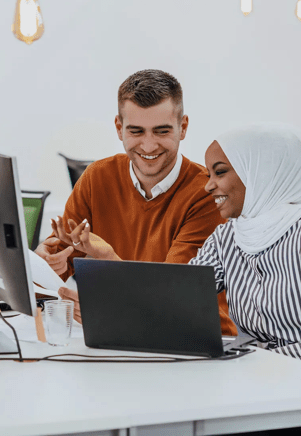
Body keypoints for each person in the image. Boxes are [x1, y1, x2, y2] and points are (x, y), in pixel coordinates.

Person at [73, 124, 301, 436]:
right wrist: (110, 268)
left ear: (259, 172)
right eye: (209, 174)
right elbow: (173, 295)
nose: (208, 185)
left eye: (220, 172)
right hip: (264, 391)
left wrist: (269, 363)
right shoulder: (229, 236)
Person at [40, 70, 236, 334]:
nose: (148, 145)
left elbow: (175, 300)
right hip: (123, 336)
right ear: (120, 129)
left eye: (161, 131)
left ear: (183, 127)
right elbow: (59, 264)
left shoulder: (207, 193)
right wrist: (48, 264)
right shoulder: (97, 178)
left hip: (194, 343)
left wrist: (109, 260)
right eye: (136, 131)